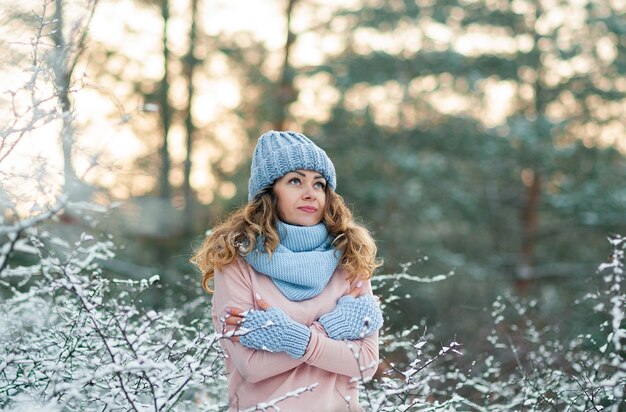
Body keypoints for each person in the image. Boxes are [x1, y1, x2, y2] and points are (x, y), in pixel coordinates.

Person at [191, 130, 384, 411]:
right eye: (295, 181)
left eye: (319, 184)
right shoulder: (235, 262)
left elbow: (365, 363)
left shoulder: (350, 260)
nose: (310, 193)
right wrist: (333, 327)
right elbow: (253, 366)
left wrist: (287, 337)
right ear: (269, 192)